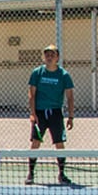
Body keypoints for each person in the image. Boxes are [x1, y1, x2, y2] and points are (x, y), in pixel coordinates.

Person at [26, 45, 75, 185]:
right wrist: (33, 113)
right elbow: (31, 94)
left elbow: (70, 96)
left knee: (59, 143)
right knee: (36, 142)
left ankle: (61, 174)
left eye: (52, 54)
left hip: (55, 113)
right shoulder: (37, 73)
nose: (49, 57)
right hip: (40, 113)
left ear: (57, 57)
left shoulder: (63, 75)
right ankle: (30, 173)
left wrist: (71, 116)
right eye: (47, 54)